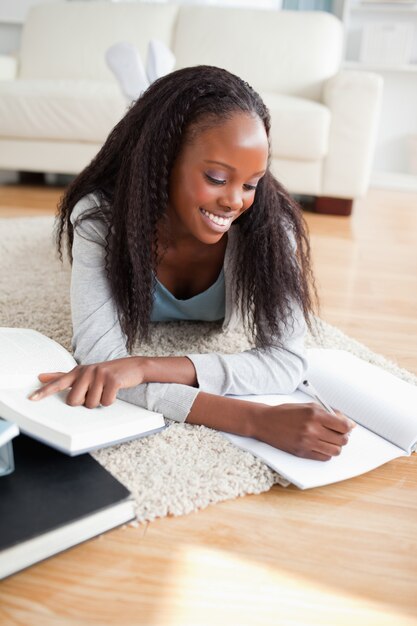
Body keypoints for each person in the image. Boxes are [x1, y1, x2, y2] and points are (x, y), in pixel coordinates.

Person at [30, 65, 354, 461]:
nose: (236, 201)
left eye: (251, 183)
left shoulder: (271, 227)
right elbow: (101, 364)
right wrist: (255, 420)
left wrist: (147, 365)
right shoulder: (101, 218)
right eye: (217, 178)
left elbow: (286, 361)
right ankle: (145, 82)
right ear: (163, 161)